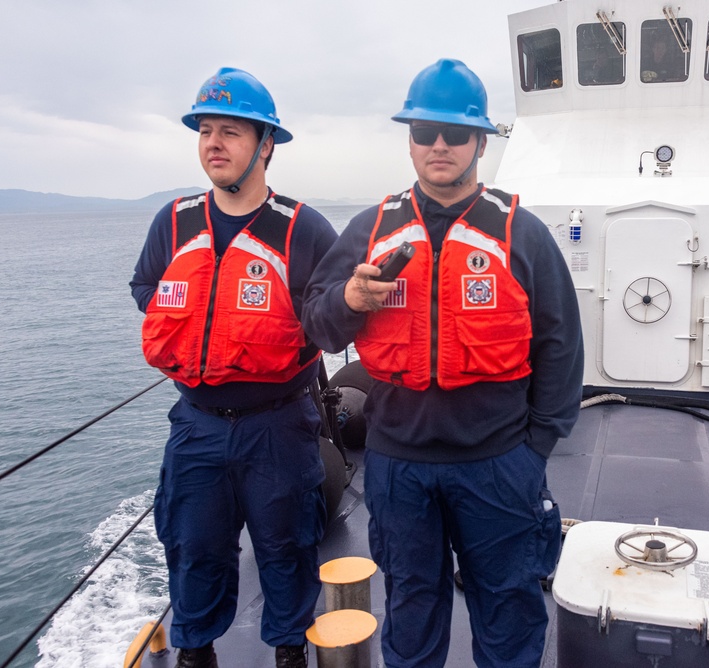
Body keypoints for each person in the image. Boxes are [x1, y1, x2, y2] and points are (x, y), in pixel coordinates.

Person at [302, 58, 584, 667]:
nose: (439, 145)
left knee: (508, 608)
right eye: (424, 132)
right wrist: (350, 300)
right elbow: (318, 326)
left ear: (479, 141)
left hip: (499, 463)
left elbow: (561, 344)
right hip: (399, 466)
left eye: (455, 134)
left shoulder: (521, 234)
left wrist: (535, 447)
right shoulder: (369, 231)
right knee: (411, 607)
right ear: (409, 140)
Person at [130, 67, 338, 668]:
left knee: (287, 544)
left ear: (265, 145)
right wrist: (199, 322)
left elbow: (328, 316)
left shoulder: (304, 229)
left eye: (231, 132)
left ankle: (289, 650)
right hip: (196, 422)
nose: (213, 143)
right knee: (193, 545)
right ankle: (197, 652)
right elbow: (146, 286)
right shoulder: (173, 221)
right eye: (205, 131)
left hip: (279, 422)